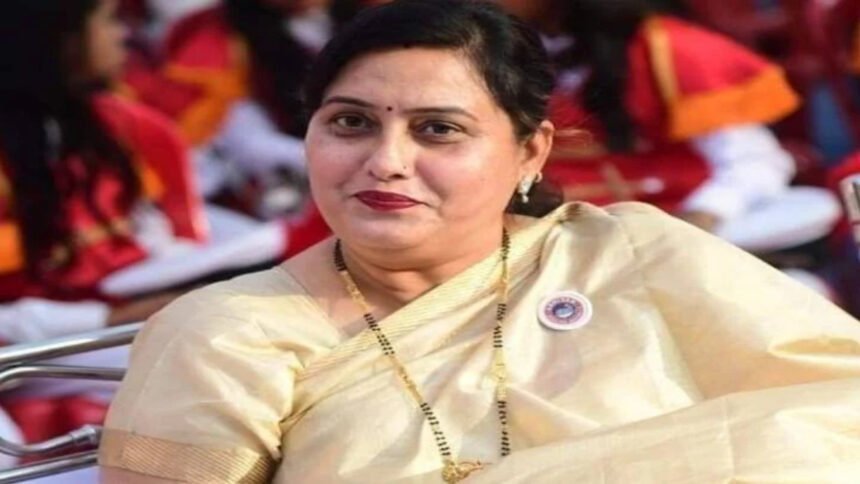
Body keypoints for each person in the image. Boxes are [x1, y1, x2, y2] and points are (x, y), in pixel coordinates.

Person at [99, 1, 860, 483]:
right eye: (350, 123)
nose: (386, 160)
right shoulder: (224, 333)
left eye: (438, 129)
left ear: (531, 152)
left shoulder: (629, 253)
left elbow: (839, 409)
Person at [0, 0, 209, 341]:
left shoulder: (123, 123)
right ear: (57, 38)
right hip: (42, 354)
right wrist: (108, 318)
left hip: (134, 325)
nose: (122, 35)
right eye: (109, 20)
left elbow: (170, 236)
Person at [497, 0, 800, 234]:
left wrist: (699, 218)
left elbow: (755, 164)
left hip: (669, 238)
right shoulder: (493, 52)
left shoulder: (671, 48)